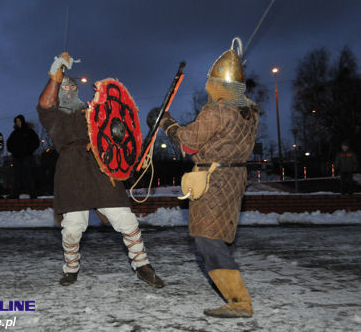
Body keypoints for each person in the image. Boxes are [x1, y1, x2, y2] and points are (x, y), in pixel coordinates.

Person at [36, 52, 164, 288]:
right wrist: (57, 71)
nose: (69, 89)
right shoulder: (53, 117)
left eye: (71, 86)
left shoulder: (93, 113)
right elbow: (45, 102)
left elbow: (118, 131)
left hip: (101, 168)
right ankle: (71, 268)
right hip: (72, 171)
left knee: (126, 219)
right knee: (72, 228)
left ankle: (143, 265)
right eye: (64, 86)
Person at [157, 38, 258, 317]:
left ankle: (239, 303)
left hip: (214, 180)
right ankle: (236, 300)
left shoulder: (217, 110)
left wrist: (167, 123)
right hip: (234, 177)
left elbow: (189, 143)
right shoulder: (248, 113)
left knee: (207, 239)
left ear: (218, 84)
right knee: (214, 237)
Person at [6, 115, 39, 199]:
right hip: (16, 157)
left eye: (19, 121)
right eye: (16, 121)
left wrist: (29, 151)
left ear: (23, 121)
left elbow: (36, 142)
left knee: (28, 174)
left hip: (27, 157)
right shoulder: (14, 133)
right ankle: (15, 194)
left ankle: (33, 194)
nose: (18, 123)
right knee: (17, 175)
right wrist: (13, 151)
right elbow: (9, 144)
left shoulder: (29, 131)